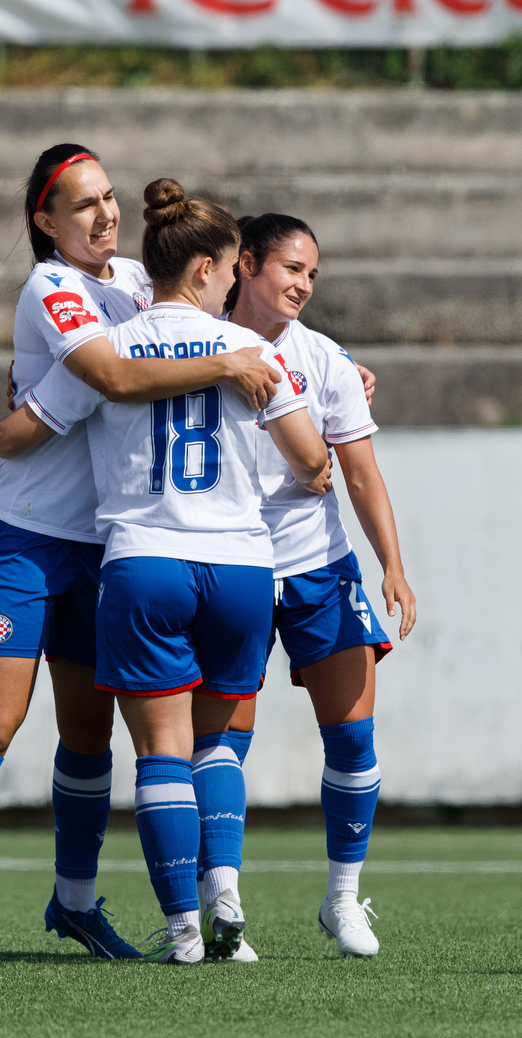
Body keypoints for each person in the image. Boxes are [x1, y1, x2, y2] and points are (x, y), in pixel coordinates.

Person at [0, 144, 286, 965]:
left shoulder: (131, 280)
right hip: (23, 534)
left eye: (109, 197)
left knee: (89, 737)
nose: (104, 214)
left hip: (109, 545)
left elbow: (220, 305)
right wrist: (227, 360)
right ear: (46, 223)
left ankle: (76, 902)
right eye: (82, 205)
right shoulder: (52, 286)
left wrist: (326, 367)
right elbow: (111, 379)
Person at [0, 179, 330, 965]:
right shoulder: (250, 352)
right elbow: (313, 460)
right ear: (211, 269)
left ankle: (181, 928)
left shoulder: (114, 346)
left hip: (145, 563)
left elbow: (23, 430)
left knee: (161, 755)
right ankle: (227, 904)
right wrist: (304, 476)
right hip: (242, 567)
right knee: (218, 749)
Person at [208, 213, 416, 959]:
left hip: (318, 563)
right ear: (246, 265)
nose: (302, 284)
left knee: (354, 741)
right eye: (291, 268)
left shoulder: (325, 358)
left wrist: (391, 564)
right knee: (224, 743)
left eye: (312, 275)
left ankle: (341, 899)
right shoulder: (198, 342)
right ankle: (223, 904)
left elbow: (359, 470)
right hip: (225, 560)